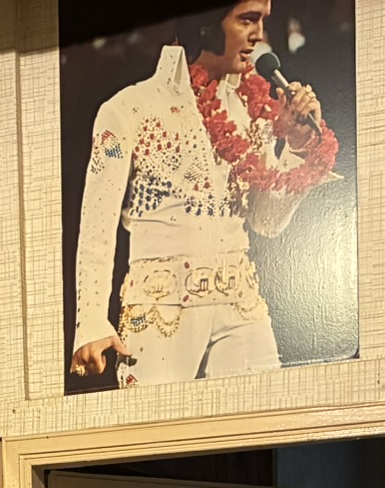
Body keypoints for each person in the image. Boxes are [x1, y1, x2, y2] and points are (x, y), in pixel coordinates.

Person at [69, 2, 337, 387]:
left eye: (263, 21)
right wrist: (92, 319)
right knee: (158, 425)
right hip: (160, 311)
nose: (259, 35)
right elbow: (97, 223)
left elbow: (267, 221)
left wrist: (296, 146)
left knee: (264, 417)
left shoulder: (254, 112)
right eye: (247, 20)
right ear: (206, 20)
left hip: (241, 304)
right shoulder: (128, 109)